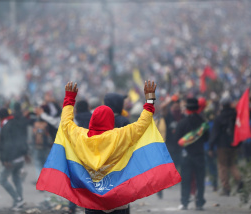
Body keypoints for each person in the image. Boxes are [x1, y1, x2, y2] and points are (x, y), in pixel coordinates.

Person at [37, 81, 181, 213]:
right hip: (118, 201)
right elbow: (143, 122)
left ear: (92, 120)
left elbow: (66, 123)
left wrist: (69, 98)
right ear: (111, 120)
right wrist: (150, 99)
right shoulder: (119, 135)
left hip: (91, 200)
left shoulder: (81, 136)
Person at [176, 98, 209, 210]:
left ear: (187, 108)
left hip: (186, 155)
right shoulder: (203, 123)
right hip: (199, 154)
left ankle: (184, 202)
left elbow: (178, 140)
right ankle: (199, 203)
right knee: (200, 180)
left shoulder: (182, 122)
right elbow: (206, 138)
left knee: (186, 180)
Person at [209, 96, 242, 196]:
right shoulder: (235, 115)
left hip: (222, 146)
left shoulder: (219, 118)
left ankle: (226, 188)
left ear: (222, 105)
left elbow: (215, 133)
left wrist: (211, 147)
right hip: (233, 144)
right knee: (232, 164)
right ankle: (239, 179)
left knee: (222, 167)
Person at [0, 108, 29, 210]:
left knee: (2, 180)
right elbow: (23, 138)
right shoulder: (16, 122)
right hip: (19, 157)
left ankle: (18, 199)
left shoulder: (6, 126)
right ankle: (20, 202)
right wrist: (25, 153)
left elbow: (6, 144)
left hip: (12, 158)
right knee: (16, 178)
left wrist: (5, 159)